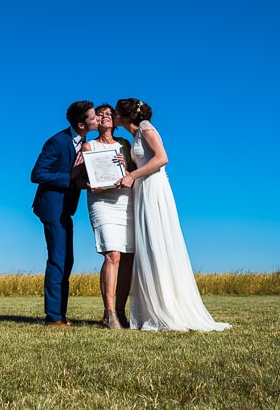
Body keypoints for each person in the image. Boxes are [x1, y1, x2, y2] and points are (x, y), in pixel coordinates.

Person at [113, 98, 231, 332]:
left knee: (157, 243)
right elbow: (144, 162)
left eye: (117, 112)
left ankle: (169, 307)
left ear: (126, 116)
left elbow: (161, 158)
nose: (114, 116)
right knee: (147, 246)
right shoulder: (134, 137)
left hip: (154, 190)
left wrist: (133, 176)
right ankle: (153, 309)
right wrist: (127, 168)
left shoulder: (146, 127)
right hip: (142, 191)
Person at [31, 100, 101, 327]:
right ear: (82, 124)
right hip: (52, 208)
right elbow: (37, 174)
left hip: (65, 209)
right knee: (58, 260)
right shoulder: (57, 141)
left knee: (66, 260)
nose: (98, 119)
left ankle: (60, 314)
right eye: (93, 117)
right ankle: (53, 317)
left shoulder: (83, 141)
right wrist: (69, 178)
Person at [82, 103, 135, 330]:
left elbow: (134, 172)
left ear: (115, 120)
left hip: (125, 202)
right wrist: (88, 184)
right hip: (102, 202)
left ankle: (121, 312)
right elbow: (79, 177)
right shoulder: (88, 146)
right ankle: (109, 313)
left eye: (109, 113)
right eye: (100, 114)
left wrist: (128, 168)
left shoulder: (124, 144)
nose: (104, 116)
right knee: (112, 254)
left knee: (127, 257)